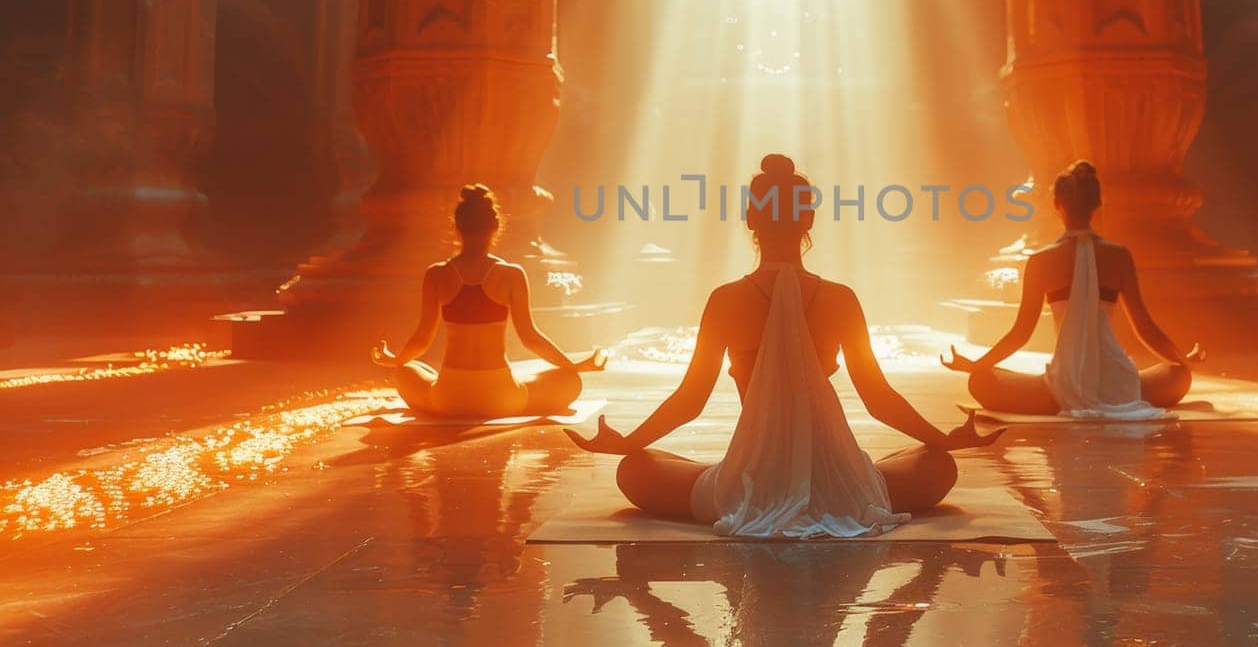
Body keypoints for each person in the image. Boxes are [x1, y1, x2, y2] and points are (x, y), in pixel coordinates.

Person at [567, 154, 1001, 539]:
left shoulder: (726, 300)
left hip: (749, 483)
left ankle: (726, 490)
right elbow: (879, 399)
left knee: (636, 470)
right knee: (937, 464)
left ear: (751, 220)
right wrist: (944, 439)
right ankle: (874, 476)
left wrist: (628, 443)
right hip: (839, 481)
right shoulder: (839, 299)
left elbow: (690, 401)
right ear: (808, 220)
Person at [943, 161, 1201, 417]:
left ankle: (1061, 401)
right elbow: (1146, 328)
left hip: (1060, 387)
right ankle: (1106, 395)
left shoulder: (1041, 260)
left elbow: (1021, 333)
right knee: (1179, 375)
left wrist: (977, 365)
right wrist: (1184, 360)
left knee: (980, 381)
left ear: (1057, 205)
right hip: (1120, 383)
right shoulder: (1119, 256)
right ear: (1098, 205)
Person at [371, 184, 605, 417]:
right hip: (503, 398)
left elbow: (422, 339)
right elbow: (530, 338)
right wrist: (573, 366)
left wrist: (396, 359)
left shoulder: (437, 274)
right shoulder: (512, 274)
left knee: (404, 371)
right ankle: (523, 392)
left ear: (456, 227)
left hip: (448, 399)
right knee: (569, 380)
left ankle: (438, 393)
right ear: (495, 226)